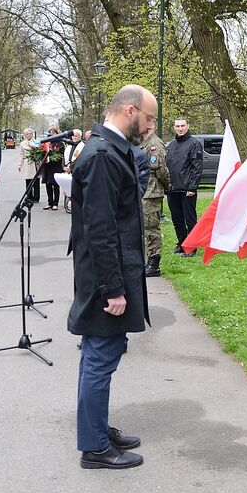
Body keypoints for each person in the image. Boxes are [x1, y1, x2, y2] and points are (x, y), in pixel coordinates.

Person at [68, 84, 155, 470]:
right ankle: (95, 447)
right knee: (100, 357)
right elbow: (101, 230)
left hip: (106, 272)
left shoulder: (108, 148)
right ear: (131, 111)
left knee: (100, 354)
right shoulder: (103, 154)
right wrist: (114, 289)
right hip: (105, 277)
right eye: (149, 117)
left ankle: (98, 429)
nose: (151, 125)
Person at [166, 118, 203, 257]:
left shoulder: (194, 143)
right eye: (177, 126)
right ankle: (182, 243)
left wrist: (192, 188)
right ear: (174, 127)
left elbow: (197, 167)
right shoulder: (171, 145)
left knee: (190, 219)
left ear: (187, 126)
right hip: (173, 189)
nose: (180, 128)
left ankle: (191, 246)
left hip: (187, 189)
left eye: (182, 126)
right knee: (177, 220)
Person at [140, 122, 169, 277]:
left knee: (151, 228)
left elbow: (161, 170)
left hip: (151, 191)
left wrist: (165, 185)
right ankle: (147, 259)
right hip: (142, 189)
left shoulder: (154, 144)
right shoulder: (141, 142)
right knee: (144, 227)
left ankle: (154, 263)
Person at [41, 127, 64, 210]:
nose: (52, 134)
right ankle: (49, 203)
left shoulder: (60, 143)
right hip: (47, 166)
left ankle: (55, 203)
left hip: (56, 167)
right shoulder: (46, 143)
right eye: (50, 133)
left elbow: (60, 154)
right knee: (48, 184)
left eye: (54, 133)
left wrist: (52, 153)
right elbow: (42, 152)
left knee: (55, 185)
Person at [63, 130, 85, 213]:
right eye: (73, 136)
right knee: (67, 188)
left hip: (76, 170)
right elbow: (64, 158)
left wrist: (71, 167)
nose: (74, 138)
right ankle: (67, 205)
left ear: (80, 137)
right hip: (67, 169)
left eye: (76, 136)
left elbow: (79, 159)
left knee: (75, 189)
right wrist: (64, 167)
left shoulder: (83, 146)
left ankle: (74, 206)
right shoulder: (69, 146)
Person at [18, 128, 41, 203]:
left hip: (35, 162)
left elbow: (40, 152)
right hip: (27, 163)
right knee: (28, 181)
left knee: (36, 180)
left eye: (30, 134)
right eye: (27, 134)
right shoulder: (22, 143)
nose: (29, 135)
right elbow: (21, 155)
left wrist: (34, 147)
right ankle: (29, 196)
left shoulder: (36, 142)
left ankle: (36, 197)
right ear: (25, 135)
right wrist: (19, 165)